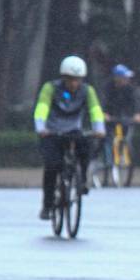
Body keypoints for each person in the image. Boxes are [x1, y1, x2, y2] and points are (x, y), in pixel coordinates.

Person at [34, 56, 106, 220]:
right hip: (52, 132)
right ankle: (47, 205)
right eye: (70, 80)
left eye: (77, 80)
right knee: (52, 166)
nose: (74, 84)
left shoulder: (87, 91)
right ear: (63, 78)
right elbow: (41, 108)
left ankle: (82, 180)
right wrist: (40, 127)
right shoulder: (50, 88)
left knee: (86, 149)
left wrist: (99, 129)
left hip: (74, 130)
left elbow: (95, 110)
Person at [101, 64, 140, 165]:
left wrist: (137, 114)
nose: (127, 79)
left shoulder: (129, 88)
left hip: (122, 116)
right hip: (109, 116)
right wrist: (104, 114)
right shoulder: (107, 87)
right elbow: (103, 101)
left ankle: (122, 153)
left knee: (126, 132)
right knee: (106, 137)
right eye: (124, 77)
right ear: (117, 78)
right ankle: (105, 159)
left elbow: (134, 103)